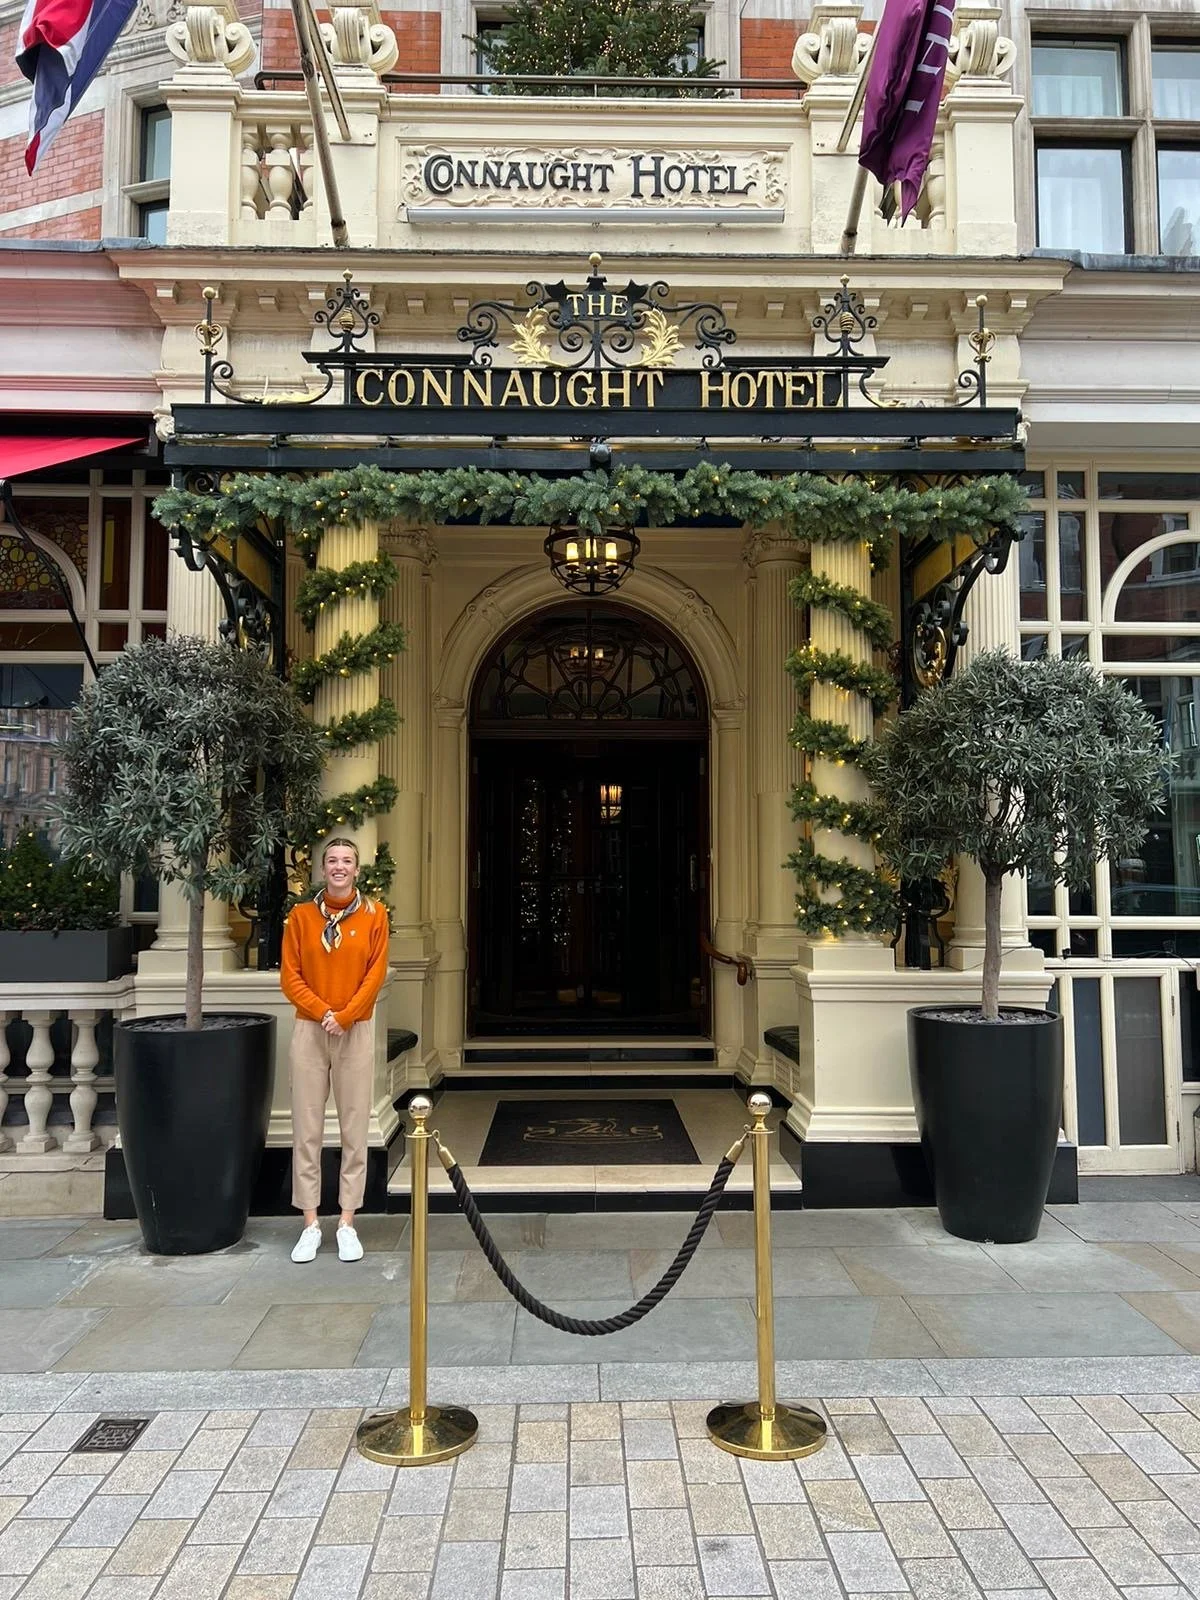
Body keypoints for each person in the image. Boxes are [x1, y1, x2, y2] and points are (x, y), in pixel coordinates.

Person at [280, 837, 389, 1262]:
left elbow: (374, 973)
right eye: (332, 861)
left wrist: (345, 1015)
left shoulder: (374, 915)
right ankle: (310, 1222)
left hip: (354, 1030)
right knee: (306, 1128)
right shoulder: (301, 917)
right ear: (322, 870)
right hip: (310, 1031)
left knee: (354, 1128)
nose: (339, 867)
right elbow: (290, 976)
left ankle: (347, 1221)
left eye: (347, 861)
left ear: (357, 870)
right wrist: (324, 1011)